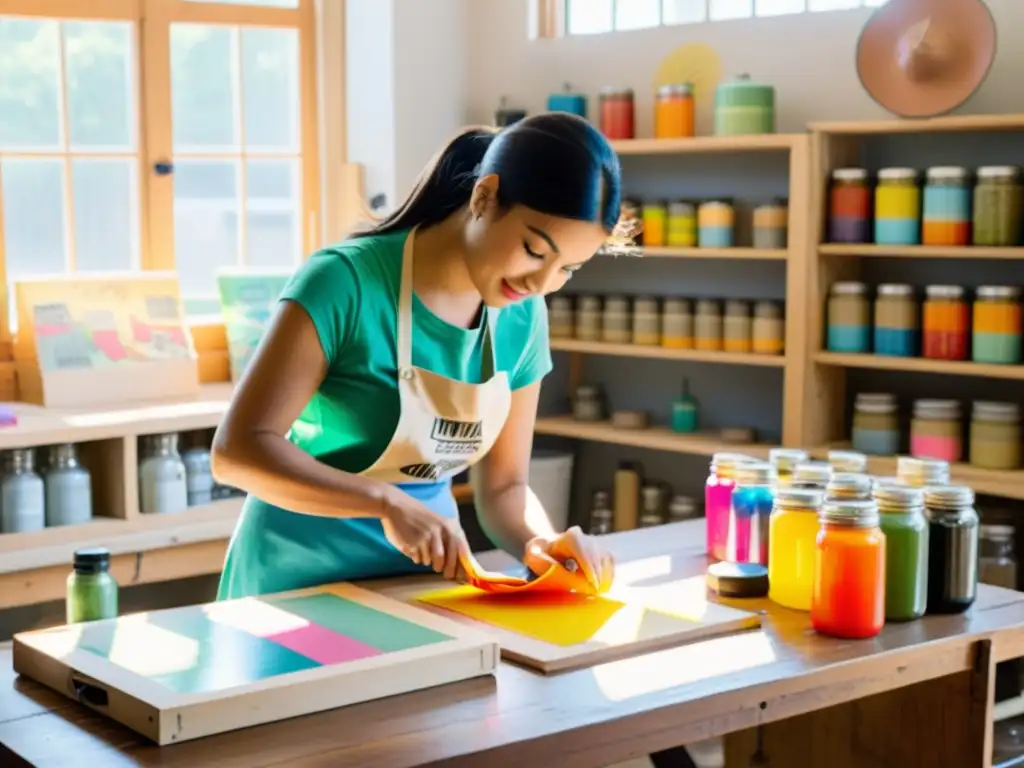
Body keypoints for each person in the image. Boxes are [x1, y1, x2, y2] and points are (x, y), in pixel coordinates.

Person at [211, 112, 623, 601]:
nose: (541, 283)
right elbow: (237, 452)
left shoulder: (521, 314)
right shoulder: (344, 283)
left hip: (421, 591)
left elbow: (504, 488)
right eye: (535, 250)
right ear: (484, 197)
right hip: (292, 588)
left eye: (567, 269)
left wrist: (540, 542)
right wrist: (385, 503)